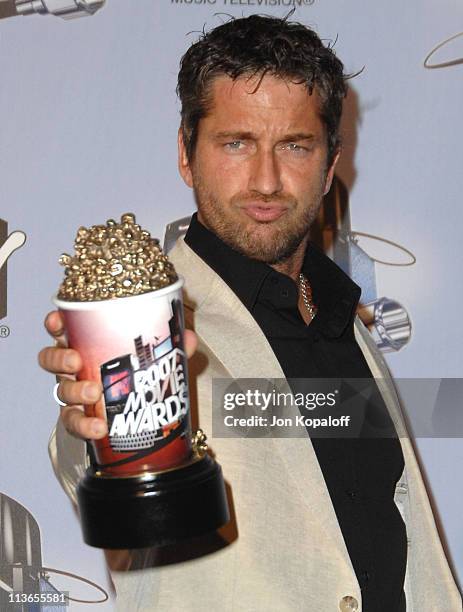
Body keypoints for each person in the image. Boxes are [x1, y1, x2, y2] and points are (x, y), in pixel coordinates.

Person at [39, 14, 461, 612]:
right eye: (236, 143)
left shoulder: (343, 315)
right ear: (187, 154)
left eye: (294, 145)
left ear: (330, 163)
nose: (265, 180)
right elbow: (100, 465)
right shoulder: (151, 326)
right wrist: (91, 416)